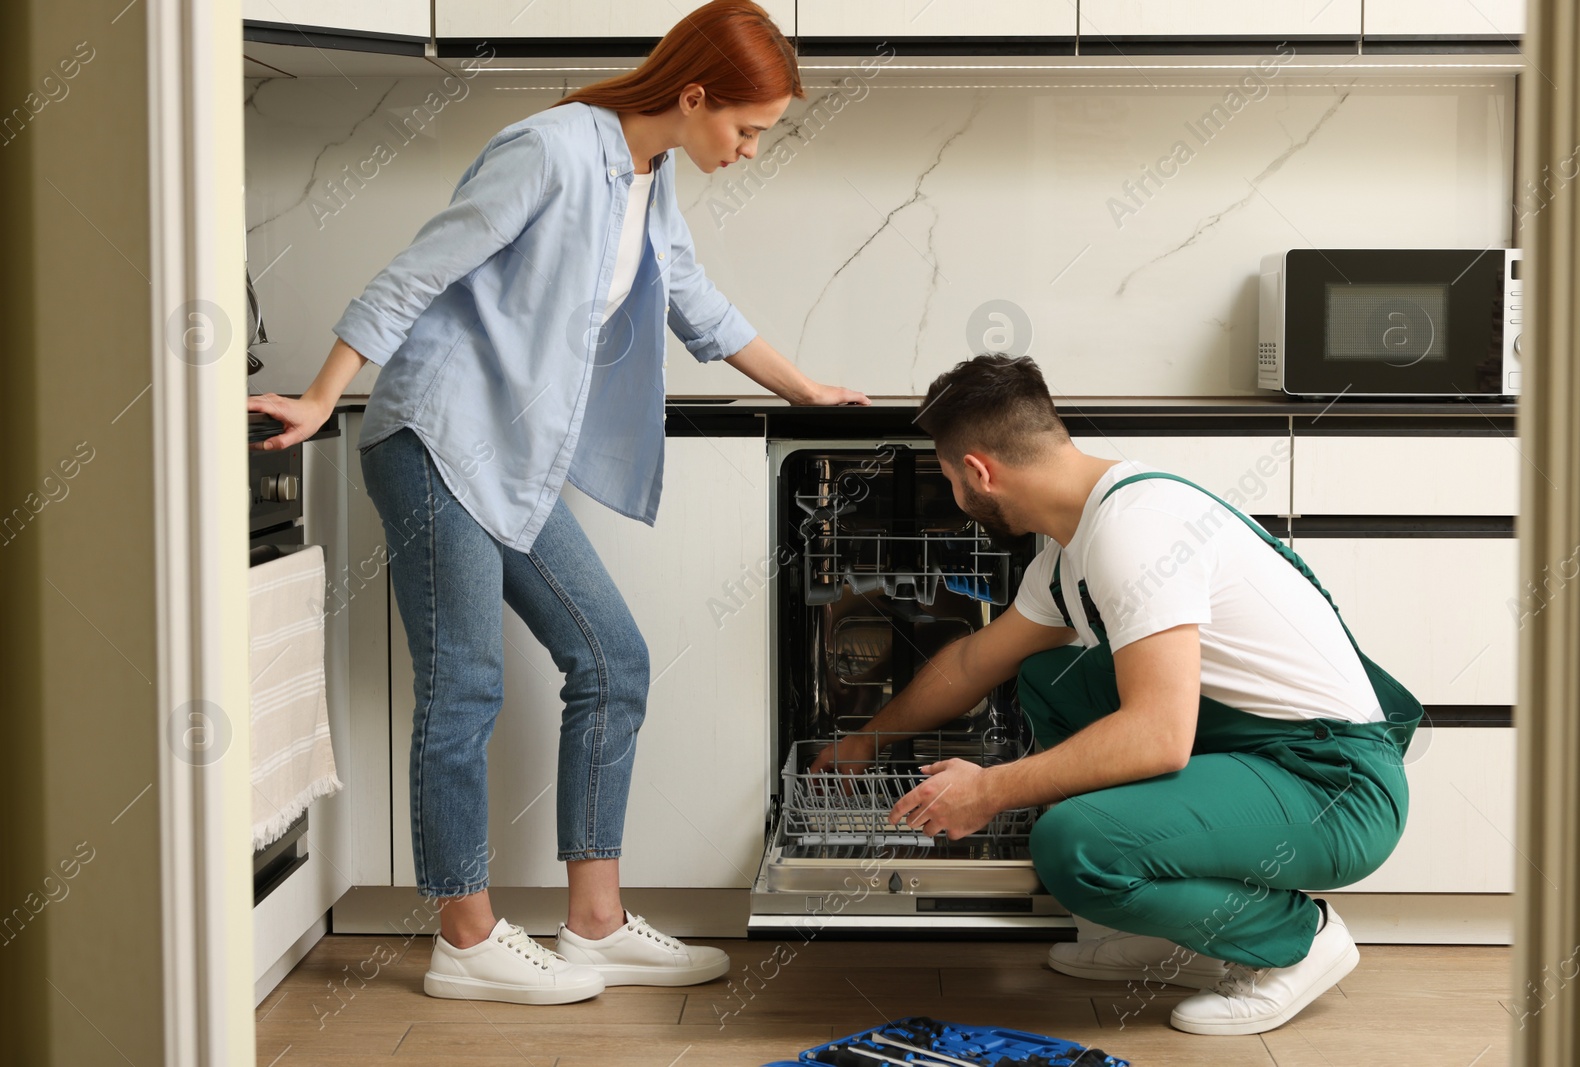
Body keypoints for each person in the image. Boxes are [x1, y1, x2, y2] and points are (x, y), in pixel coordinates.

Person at [249, 0, 867, 1007]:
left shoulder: (649, 174)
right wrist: (322, 394)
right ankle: (464, 934)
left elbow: (690, 297)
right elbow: (417, 272)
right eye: (748, 129)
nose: (751, 150)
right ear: (696, 93)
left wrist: (803, 388)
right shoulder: (547, 148)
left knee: (611, 658)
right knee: (465, 690)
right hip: (437, 440)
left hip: (515, 460)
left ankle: (592, 921)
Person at [811, 354, 1422, 1035]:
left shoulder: (1136, 531)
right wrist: (867, 738)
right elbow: (974, 661)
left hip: (1334, 785)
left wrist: (989, 789)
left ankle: (1298, 939)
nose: (955, 494)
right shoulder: (1075, 546)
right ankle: (1174, 935)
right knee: (1050, 672)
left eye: (951, 477)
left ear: (979, 472)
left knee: (1074, 844)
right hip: (1268, 755)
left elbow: (1159, 737)